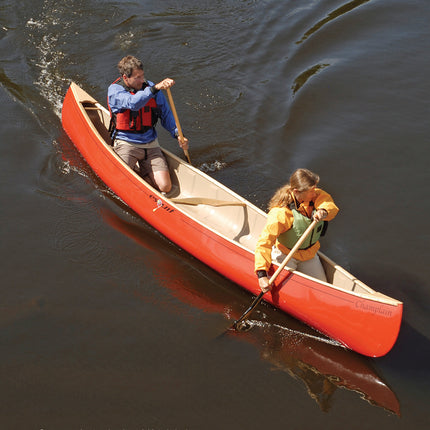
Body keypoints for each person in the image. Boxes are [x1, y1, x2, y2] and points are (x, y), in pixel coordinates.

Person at [108, 55, 189, 193]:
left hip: (150, 144)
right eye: (137, 77)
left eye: (142, 76)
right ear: (125, 78)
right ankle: (135, 176)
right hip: (127, 143)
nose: (142, 80)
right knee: (122, 180)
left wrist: (177, 134)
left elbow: (166, 114)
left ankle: (142, 177)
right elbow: (133, 103)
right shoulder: (115, 91)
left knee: (165, 187)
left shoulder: (150, 88)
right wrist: (155, 88)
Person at [255, 168, 339, 292]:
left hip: (308, 254)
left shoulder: (315, 197)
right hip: (285, 255)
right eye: (311, 191)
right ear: (297, 191)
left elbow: (328, 203)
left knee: (322, 289)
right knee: (284, 290)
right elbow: (264, 243)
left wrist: (324, 211)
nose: (314, 193)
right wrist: (261, 275)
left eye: (314, 189)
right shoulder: (281, 213)